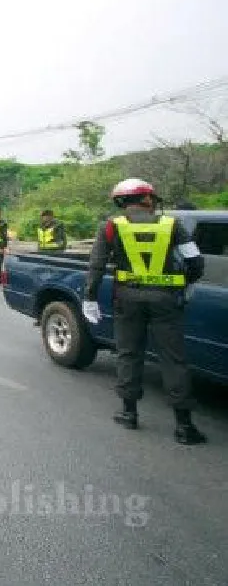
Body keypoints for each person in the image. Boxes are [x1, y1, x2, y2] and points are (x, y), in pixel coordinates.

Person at [83, 178, 207, 445]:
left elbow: (96, 266)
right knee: (174, 360)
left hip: (127, 299)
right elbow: (195, 261)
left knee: (128, 354)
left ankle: (128, 414)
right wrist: (187, 284)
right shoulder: (172, 225)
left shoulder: (110, 227)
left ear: (122, 202)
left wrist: (90, 298)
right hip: (166, 301)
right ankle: (184, 426)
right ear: (148, 199)